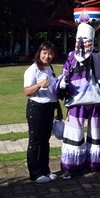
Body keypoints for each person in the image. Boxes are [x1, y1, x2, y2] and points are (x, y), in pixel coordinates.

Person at [57, 22, 100, 179]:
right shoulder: (71, 57)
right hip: (76, 101)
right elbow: (64, 74)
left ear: (92, 41)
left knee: (96, 132)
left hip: (94, 101)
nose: (83, 43)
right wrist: (62, 83)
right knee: (74, 134)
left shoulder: (99, 57)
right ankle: (71, 167)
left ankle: (96, 163)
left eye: (87, 40)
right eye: (80, 39)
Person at [23, 41, 62, 183]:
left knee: (45, 141)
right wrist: (39, 85)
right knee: (35, 141)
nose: (47, 56)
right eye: (45, 53)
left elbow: (53, 92)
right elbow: (26, 91)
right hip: (36, 108)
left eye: (50, 53)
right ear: (39, 53)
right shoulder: (32, 70)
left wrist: (58, 109)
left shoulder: (49, 68)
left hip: (49, 107)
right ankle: (35, 173)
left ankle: (45, 170)